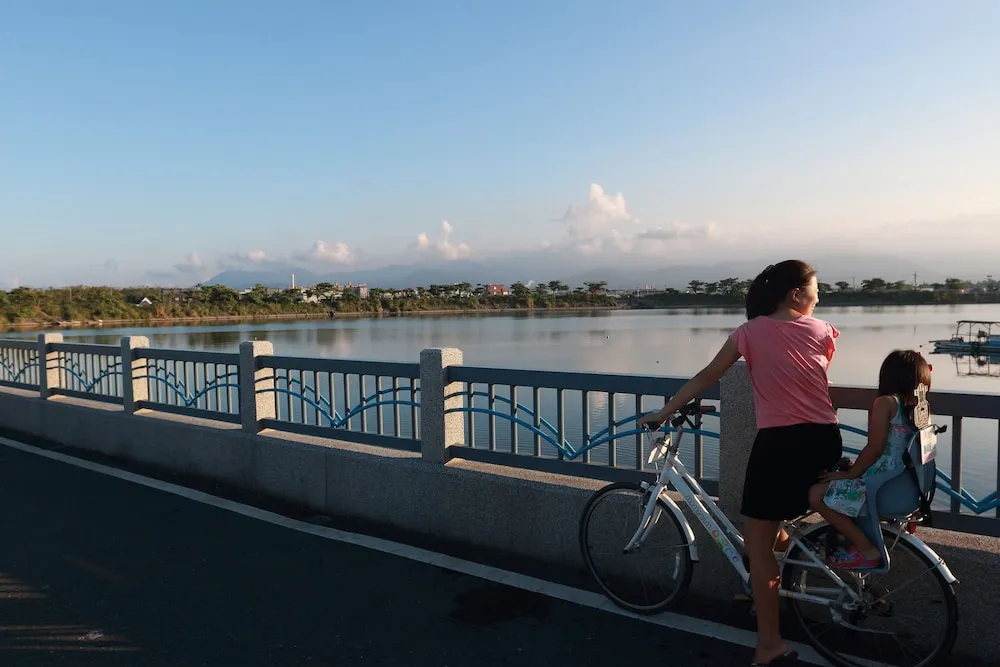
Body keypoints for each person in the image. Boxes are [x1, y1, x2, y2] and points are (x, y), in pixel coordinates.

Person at [638, 259, 841, 666]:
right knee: (772, 525)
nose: (819, 298)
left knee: (757, 545)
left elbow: (706, 377)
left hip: (781, 443)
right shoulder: (822, 330)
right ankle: (771, 588)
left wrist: (664, 412)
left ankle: (769, 645)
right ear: (795, 294)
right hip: (825, 439)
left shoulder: (749, 333)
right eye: (816, 291)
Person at [809, 350, 932, 569]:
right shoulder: (920, 408)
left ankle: (865, 548)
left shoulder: (886, 403)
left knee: (816, 494)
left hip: (882, 489)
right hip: (908, 489)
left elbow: (875, 447)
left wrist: (851, 473)